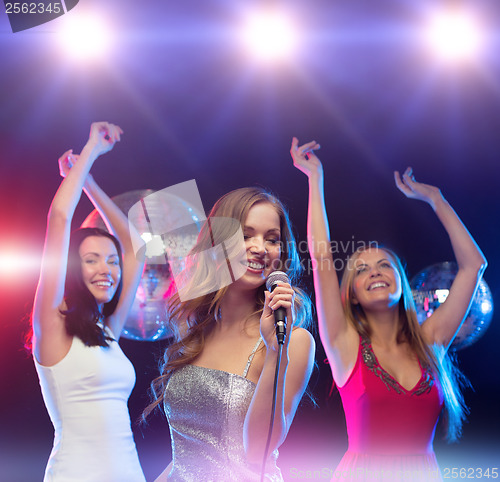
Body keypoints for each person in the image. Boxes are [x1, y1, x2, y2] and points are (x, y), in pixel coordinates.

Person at [290, 137, 487, 481]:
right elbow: (322, 257)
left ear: (402, 283)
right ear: (350, 294)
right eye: (362, 269)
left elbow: (473, 266)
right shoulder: (342, 343)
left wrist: (436, 199)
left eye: (384, 265)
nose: (375, 271)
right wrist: (314, 178)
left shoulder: (431, 341)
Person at [144, 187, 316, 481]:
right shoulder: (194, 329)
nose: (260, 247)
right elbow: (186, 456)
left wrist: (275, 351)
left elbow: (257, 452)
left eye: (272, 239)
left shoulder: (293, 341)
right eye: (246, 235)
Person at [31, 122, 146, 482]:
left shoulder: (107, 331)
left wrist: (90, 182)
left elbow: (136, 249)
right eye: (92, 259)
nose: (107, 269)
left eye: (112, 261)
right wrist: (92, 148)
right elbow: (60, 218)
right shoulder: (51, 324)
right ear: (73, 267)